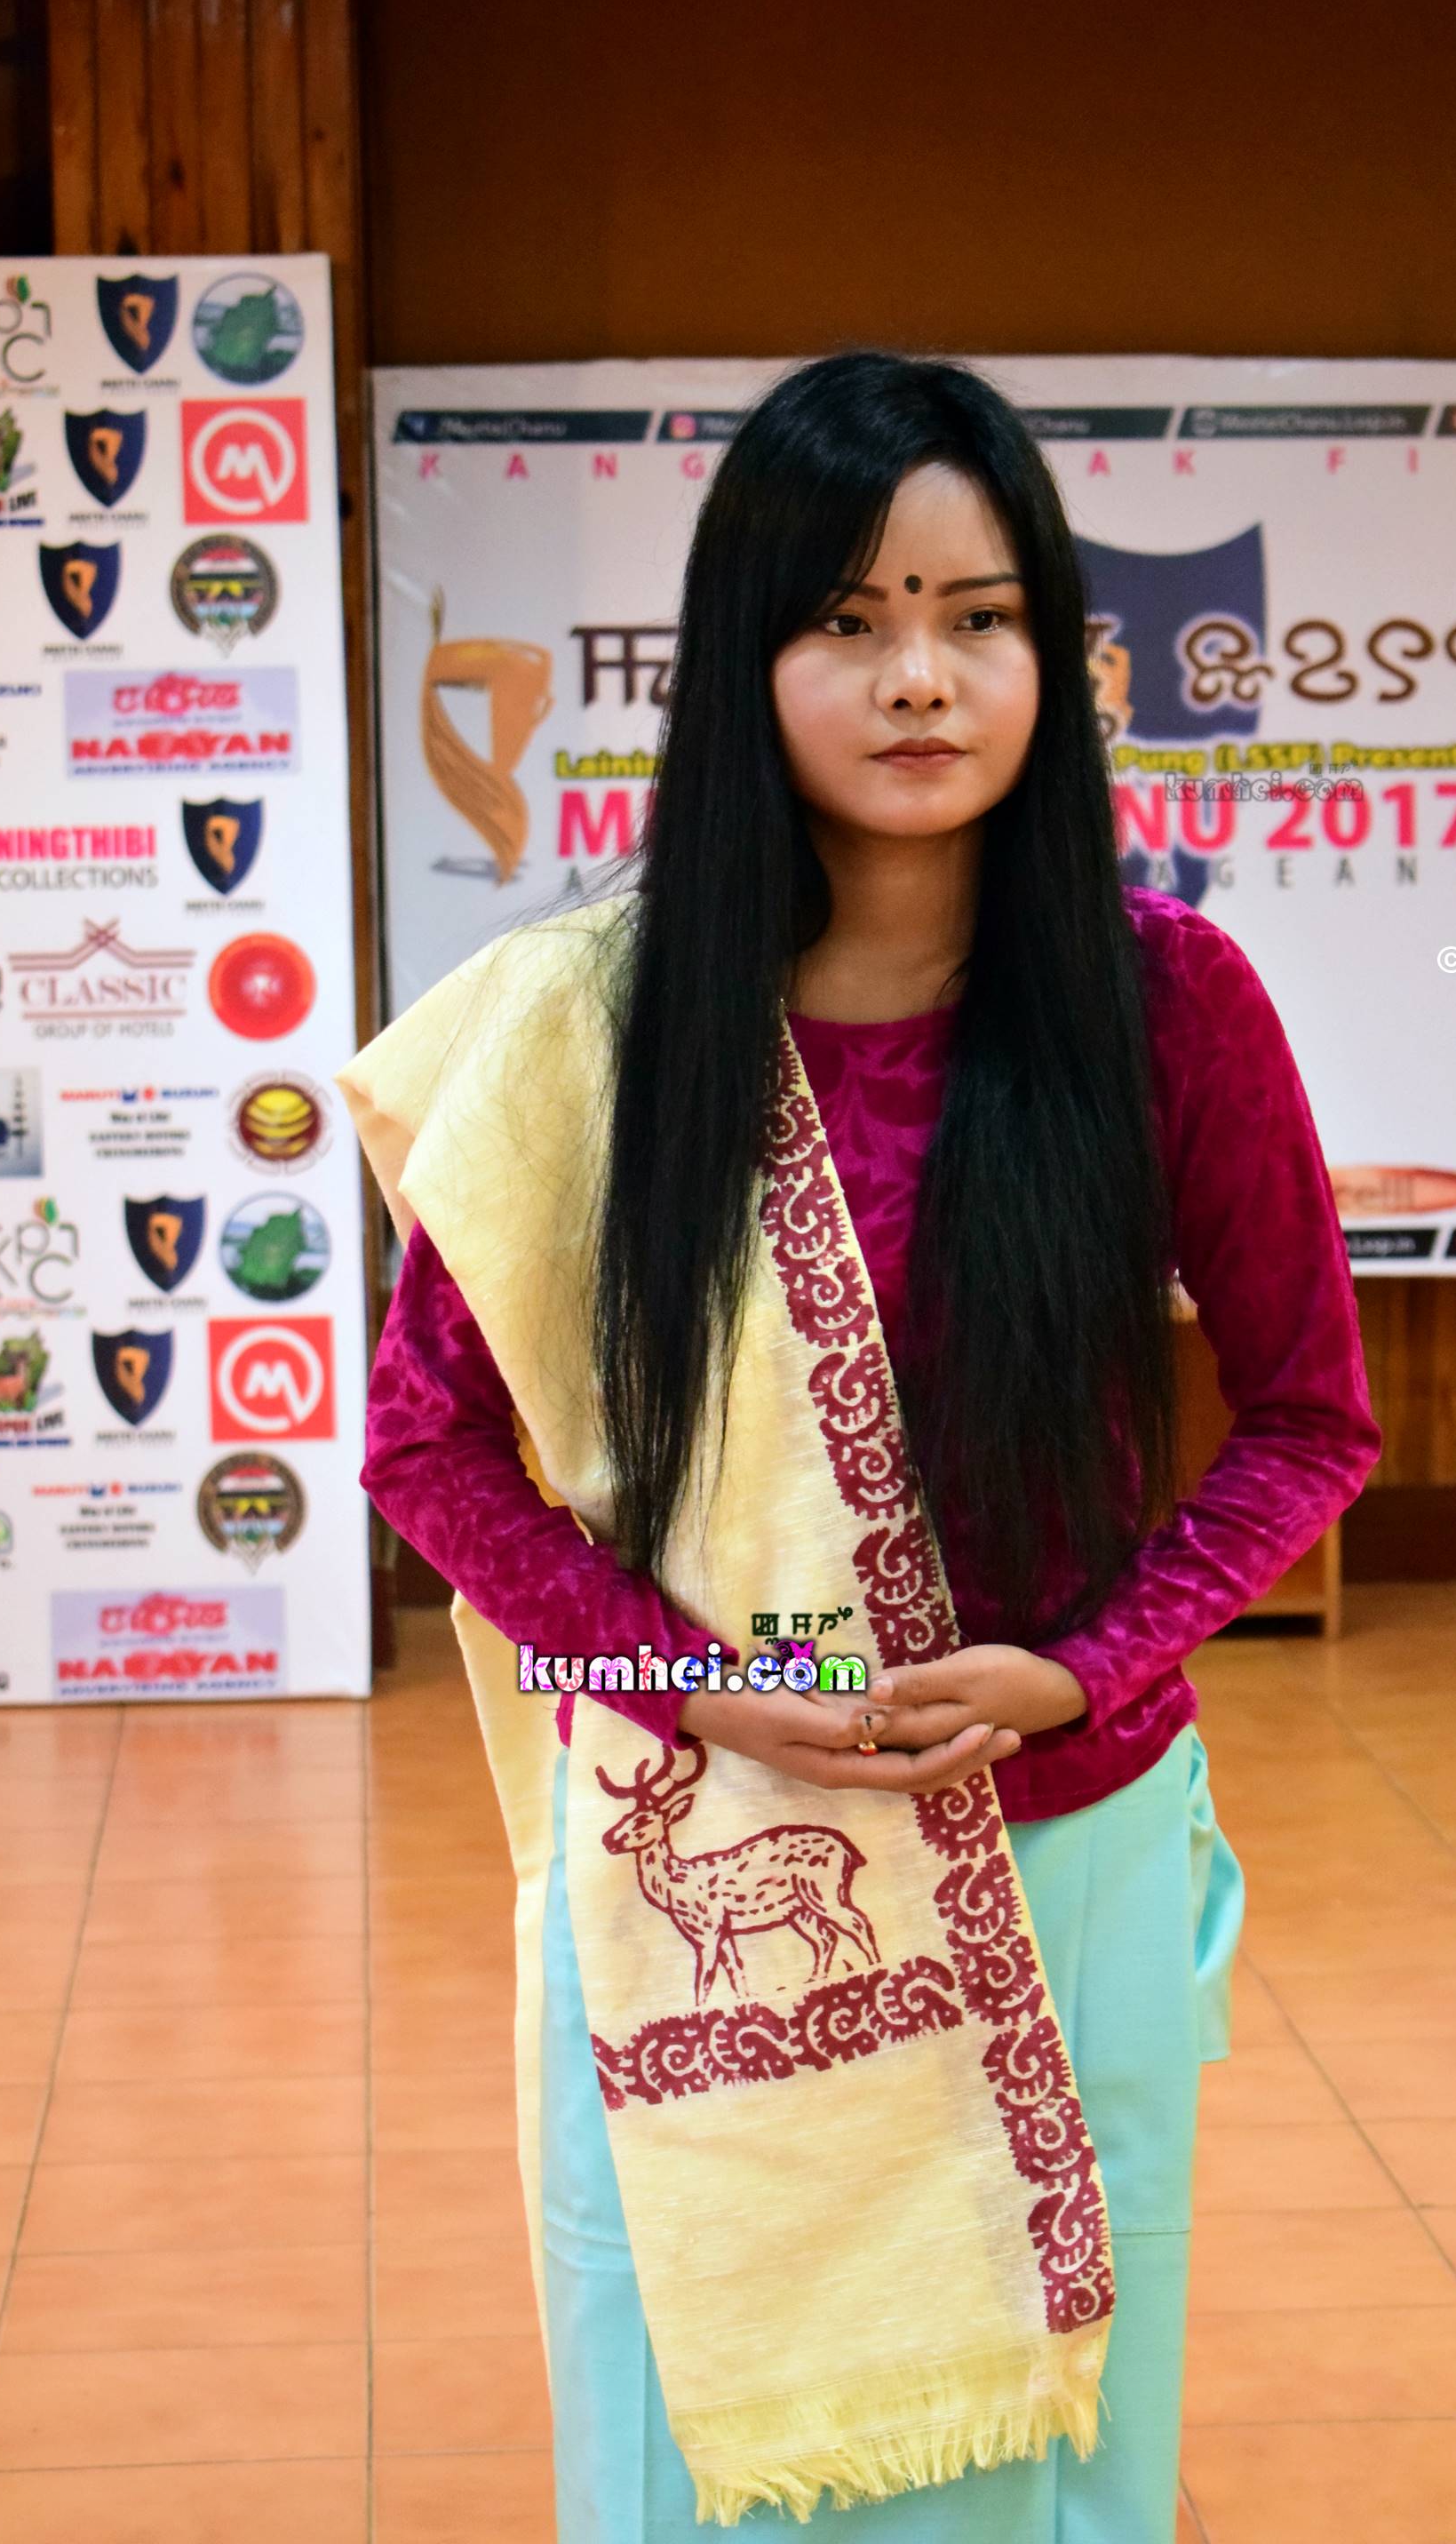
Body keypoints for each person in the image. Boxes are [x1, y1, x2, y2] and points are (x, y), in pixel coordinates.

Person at [343, 348, 1381, 2540]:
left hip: (1066, 1831)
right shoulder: (592, 1025)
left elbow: (1310, 1423)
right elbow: (427, 1451)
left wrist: (1080, 1673)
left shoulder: (1164, 1002)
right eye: (846, 619)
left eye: (976, 616)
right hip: (697, 1828)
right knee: (687, 2416)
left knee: (1048, 2435)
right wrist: (684, 1684)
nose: (920, 677)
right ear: (745, 663)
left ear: (1050, 656)